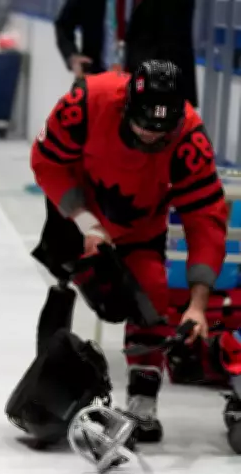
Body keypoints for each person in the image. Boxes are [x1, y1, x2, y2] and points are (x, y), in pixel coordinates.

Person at [30, 60, 227, 443]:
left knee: (153, 297)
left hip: (140, 227)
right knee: (65, 289)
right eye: (143, 125)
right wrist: (86, 222)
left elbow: (206, 219)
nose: (151, 136)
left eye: (161, 131)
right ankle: (48, 384)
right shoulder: (86, 103)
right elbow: (46, 162)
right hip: (78, 215)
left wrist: (198, 304)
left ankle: (142, 403)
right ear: (126, 108)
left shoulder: (190, 141)